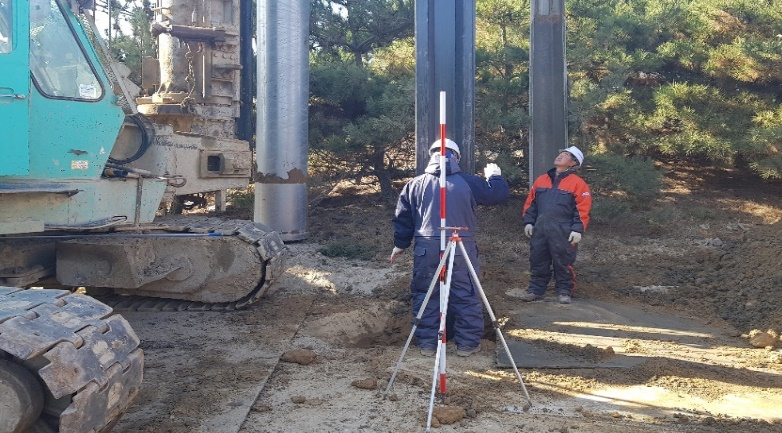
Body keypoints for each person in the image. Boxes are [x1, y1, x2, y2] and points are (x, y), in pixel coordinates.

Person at [391, 139, 509, 357]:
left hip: (426, 245)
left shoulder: (415, 184)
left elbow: (403, 218)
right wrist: (495, 176)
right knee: (465, 292)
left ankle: (428, 343)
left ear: (431, 155)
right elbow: (498, 195)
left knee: (426, 292)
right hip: (460, 242)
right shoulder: (469, 182)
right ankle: (467, 344)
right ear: (457, 157)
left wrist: (400, 244)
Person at [521, 146, 592, 304]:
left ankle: (564, 290)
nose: (560, 156)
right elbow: (531, 204)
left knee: (563, 261)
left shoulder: (578, 184)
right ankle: (535, 289)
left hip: (563, 231)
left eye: (566, 155)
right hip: (540, 229)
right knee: (538, 259)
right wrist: (529, 222)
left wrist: (577, 229)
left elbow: (582, 209)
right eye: (561, 153)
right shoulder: (541, 180)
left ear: (573, 163)